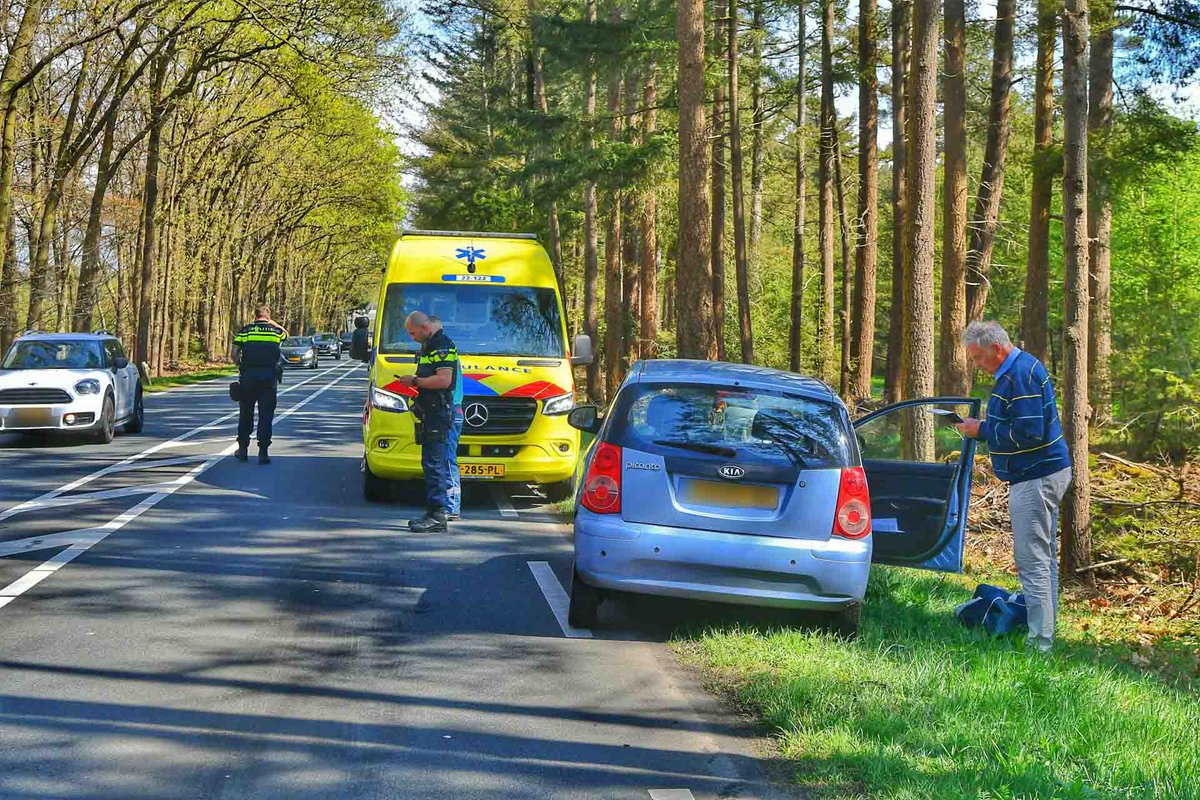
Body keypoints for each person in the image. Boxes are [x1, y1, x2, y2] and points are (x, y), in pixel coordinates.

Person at [955, 320, 1072, 653]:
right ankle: (1044, 634)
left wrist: (982, 430)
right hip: (1040, 474)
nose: (977, 365)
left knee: (1033, 562)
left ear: (997, 348)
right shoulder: (1017, 369)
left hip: (1036, 477)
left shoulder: (1019, 375)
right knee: (1043, 561)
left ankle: (1041, 644)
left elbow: (1029, 433)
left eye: (978, 357)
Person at [396, 311, 460, 533]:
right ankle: (432, 512)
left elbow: (443, 380)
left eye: (413, 333)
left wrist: (414, 381)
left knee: (435, 464)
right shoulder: (430, 344)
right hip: (430, 411)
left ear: (424, 327)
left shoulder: (441, 345)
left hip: (438, 412)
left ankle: (438, 516)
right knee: (430, 463)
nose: (412, 337)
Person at [233, 305, 288, 464]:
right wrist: (274, 323)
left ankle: (243, 450)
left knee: (245, 414)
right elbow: (286, 334)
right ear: (268, 317)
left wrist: (241, 367)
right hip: (269, 379)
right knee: (266, 416)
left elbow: (234, 353)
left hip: (248, 378)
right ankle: (263, 452)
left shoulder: (246, 331)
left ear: (255, 316)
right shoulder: (275, 332)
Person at [430, 315, 464, 521]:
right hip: (452, 411)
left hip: (452, 411)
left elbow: (448, 387)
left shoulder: (444, 353)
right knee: (444, 459)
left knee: (448, 460)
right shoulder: (449, 353)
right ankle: (446, 504)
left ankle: (452, 506)